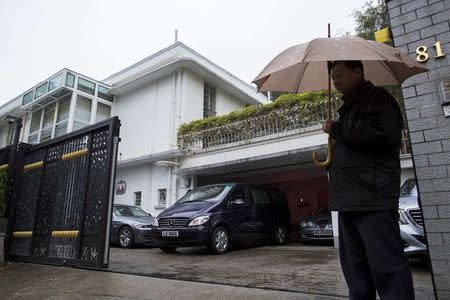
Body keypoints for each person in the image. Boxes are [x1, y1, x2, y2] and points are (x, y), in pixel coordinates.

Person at [322, 60, 415, 300]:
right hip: (348, 202)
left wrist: (337, 129)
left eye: (340, 74)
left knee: (388, 270)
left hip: (373, 199)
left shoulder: (378, 98)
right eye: (332, 76)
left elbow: (382, 133)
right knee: (356, 275)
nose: (335, 80)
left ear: (358, 71)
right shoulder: (348, 109)